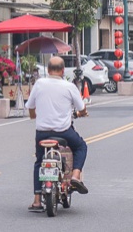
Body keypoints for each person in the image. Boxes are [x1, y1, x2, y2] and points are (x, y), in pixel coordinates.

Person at [26, 56, 89, 212]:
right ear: (62, 70)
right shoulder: (69, 87)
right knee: (81, 146)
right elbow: (81, 108)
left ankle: (36, 201)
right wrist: (82, 113)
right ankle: (75, 176)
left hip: (42, 133)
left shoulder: (39, 84)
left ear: (48, 70)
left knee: (39, 161)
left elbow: (31, 106)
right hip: (64, 131)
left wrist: (34, 115)